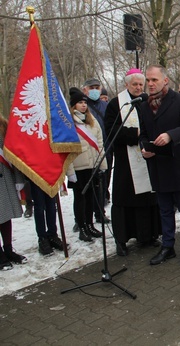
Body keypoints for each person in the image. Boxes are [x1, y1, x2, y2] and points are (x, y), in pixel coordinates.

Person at [139, 65, 180, 265]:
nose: (150, 84)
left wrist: (170, 135)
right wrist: (144, 148)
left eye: (154, 80)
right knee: (164, 209)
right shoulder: (144, 105)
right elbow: (144, 133)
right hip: (157, 164)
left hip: (178, 163)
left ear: (165, 80)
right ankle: (168, 247)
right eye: (148, 80)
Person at [104, 68, 161, 256]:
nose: (138, 87)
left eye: (140, 84)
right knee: (124, 199)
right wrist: (135, 134)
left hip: (147, 157)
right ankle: (121, 239)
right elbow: (111, 131)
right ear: (126, 84)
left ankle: (148, 235)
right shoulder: (116, 105)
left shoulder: (148, 101)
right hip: (125, 160)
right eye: (134, 84)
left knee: (147, 196)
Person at [66, 89, 107, 242]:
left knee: (91, 197)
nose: (83, 105)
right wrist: (70, 171)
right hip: (78, 168)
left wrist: (102, 164)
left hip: (92, 164)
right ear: (73, 105)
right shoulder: (69, 122)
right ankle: (82, 227)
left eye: (85, 102)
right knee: (80, 198)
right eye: (80, 103)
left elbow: (100, 141)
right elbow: (67, 148)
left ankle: (90, 225)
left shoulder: (91, 120)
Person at [81, 78, 111, 224]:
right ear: (85, 90)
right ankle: (83, 218)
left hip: (105, 149)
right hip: (88, 152)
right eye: (91, 87)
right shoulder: (82, 106)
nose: (94, 90)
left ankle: (100, 213)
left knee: (103, 183)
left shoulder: (106, 106)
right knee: (87, 185)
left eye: (97, 87)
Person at [0, 115, 27, 270]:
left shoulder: (5, 126)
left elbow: (14, 154)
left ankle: (9, 250)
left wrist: (18, 179)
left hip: (6, 178)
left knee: (6, 216)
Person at [30, 181, 64, 256]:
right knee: (39, 207)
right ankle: (42, 239)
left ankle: (52, 235)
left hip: (49, 176)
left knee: (51, 205)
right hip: (36, 175)